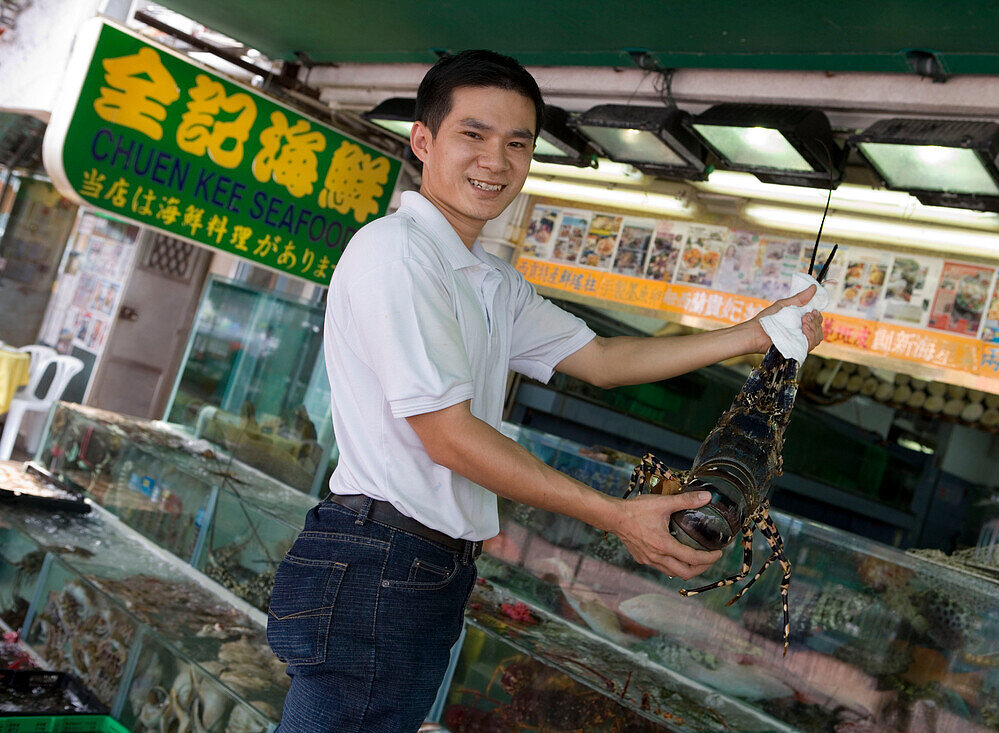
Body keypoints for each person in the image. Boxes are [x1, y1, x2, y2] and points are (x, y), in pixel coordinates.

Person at [266, 49, 824, 733]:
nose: (495, 161)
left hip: (416, 570)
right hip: (378, 562)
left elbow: (606, 358)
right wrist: (613, 514)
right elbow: (447, 434)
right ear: (423, 140)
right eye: (473, 134)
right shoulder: (397, 252)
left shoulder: (488, 279)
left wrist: (751, 333)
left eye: (517, 143)